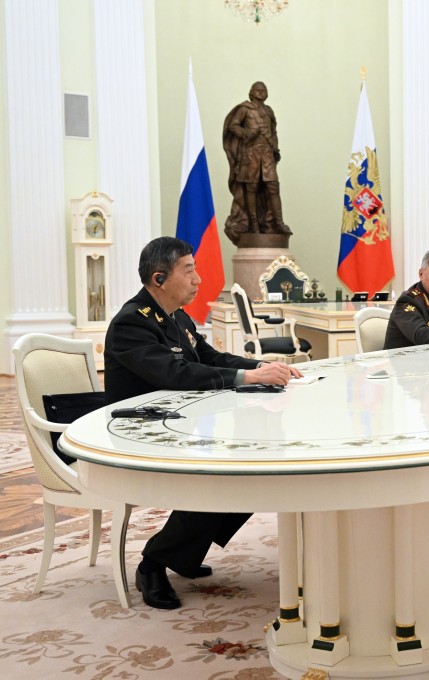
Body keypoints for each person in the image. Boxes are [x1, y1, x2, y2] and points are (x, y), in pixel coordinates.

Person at [105, 236, 302, 609]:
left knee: (253, 465)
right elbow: (176, 373)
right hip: (137, 436)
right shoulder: (133, 322)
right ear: (160, 278)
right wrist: (249, 380)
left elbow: (211, 357)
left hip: (175, 424)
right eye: (189, 270)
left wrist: (261, 368)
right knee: (223, 472)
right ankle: (153, 564)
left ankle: (181, 554)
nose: (198, 279)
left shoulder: (176, 316)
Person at [222, 81, 291, 245]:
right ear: (251, 92)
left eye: (264, 90)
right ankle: (253, 224)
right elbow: (233, 126)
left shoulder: (268, 111)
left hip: (267, 154)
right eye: (257, 90)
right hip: (251, 153)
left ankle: (278, 222)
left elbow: (273, 132)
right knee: (251, 188)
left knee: (273, 187)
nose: (261, 92)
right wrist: (247, 133)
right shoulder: (245, 109)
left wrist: (275, 149)